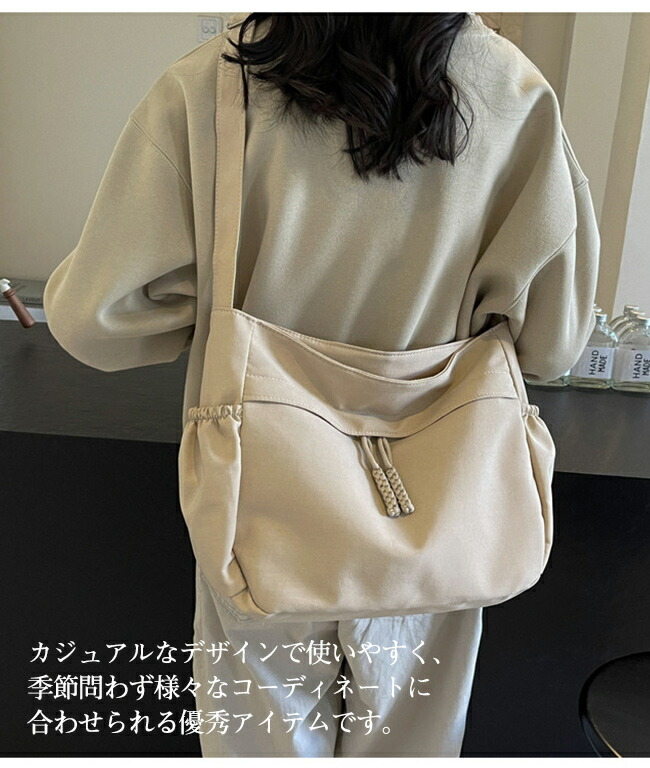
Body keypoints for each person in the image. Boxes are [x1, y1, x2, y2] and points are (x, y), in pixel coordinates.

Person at [43, 11, 600, 757]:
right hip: (438, 508)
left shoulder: (211, 86)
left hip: (261, 502)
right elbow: (555, 342)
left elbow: (92, 322)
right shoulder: (513, 91)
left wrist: (206, 300)